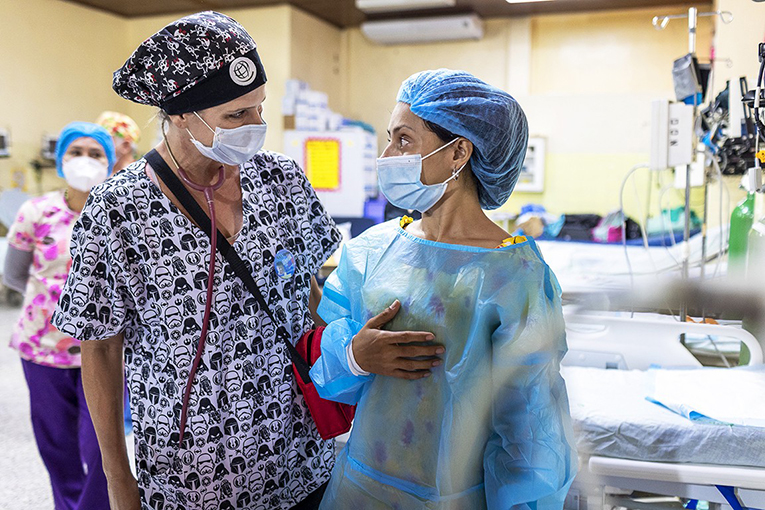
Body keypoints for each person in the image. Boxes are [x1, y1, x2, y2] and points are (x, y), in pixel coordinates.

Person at [52, 11, 341, 510]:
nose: (257, 127)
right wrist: (118, 483)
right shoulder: (119, 209)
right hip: (190, 475)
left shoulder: (282, 182)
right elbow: (99, 347)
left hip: (300, 457)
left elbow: (309, 295)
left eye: (259, 109)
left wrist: (351, 356)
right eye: (236, 115)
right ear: (182, 113)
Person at [310, 69, 578, 509]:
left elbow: (531, 431)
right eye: (389, 139)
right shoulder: (372, 252)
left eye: (404, 140)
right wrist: (356, 356)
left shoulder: (513, 276)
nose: (387, 155)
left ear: (458, 152)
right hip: (357, 490)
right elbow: (328, 371)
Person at [4, 121, 115, 510]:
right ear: (61, 160)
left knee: (102, 447)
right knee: (57, 446)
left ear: (110, 161)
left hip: (103, 351)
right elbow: (14, 275)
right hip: (42, 348)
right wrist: (52, 302)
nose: (85, 161)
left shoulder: (118, 216)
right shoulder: (36, 211)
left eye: (96, 154)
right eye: (76, 153)